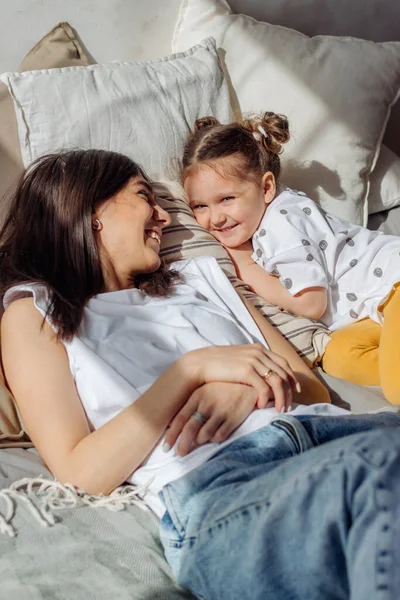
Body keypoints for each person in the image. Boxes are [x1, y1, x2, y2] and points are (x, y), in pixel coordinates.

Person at [0, 149, 399, 600]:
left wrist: (242, 389)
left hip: (337, 433)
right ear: (90, 211)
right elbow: (79, 472)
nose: (163, 218)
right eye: (144, 198)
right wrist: (193, 369)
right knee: (377, 470)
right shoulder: (34, 312)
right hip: (228, 487)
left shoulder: (202, 278)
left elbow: (308, 387)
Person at [182, 113, 400, 404]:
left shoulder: (281, 224)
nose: (215, 218)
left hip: (394, 282)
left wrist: (246, 268)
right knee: (338, 358)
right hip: (373, 307)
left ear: (267, 187)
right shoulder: (264, 219)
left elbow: (311, 303)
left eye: (226, 199)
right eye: (200, 206)